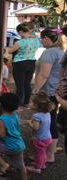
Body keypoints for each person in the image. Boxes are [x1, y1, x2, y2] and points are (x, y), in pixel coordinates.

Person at [31, 27, 66, 162]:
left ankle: (48, 156)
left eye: (41, 39)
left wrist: (34, 91)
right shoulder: (60, 51)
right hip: (54, 91)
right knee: (50, 122)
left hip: (47, 92)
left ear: (46, 38)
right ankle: (45, 154)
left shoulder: (49, 52)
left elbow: (44, 74)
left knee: (47, 124)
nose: (41, 41)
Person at [0, 93, 27, 180]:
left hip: (10, 146)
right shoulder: (15, 115)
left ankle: (3, 164)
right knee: (21, 165)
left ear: (0, 105)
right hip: (19, 145)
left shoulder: (2, 119)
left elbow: (1, 135)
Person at [8, 23, 39, 109]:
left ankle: (18, 105)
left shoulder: (20, 42)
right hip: (32, 62)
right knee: (27, 84)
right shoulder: (36, 40)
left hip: (20, 63)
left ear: (21, 31)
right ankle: (26, 103)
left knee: (19, 85)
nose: (18, 34)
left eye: (18, 32)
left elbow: (10, 51)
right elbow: (33, 34)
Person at [25, 91, 55, 174]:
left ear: (36, 105)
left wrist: (29, 122)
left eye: (31, 102)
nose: (29, 103)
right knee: (42, 152)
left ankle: (37, 168)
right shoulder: (47, 113)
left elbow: (35, 127)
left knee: (38, 154)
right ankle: (42, 164)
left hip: (40, 139)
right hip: (48, 137)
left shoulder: (36, 116)